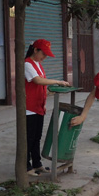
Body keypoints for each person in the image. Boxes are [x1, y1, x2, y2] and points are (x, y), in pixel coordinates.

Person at [25, 39, 70, 177]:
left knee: (37, 137)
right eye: (43, 54)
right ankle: (26, 166)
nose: (44, 57)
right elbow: (37, 80)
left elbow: (42, 82)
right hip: (29, 107)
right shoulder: (27, 63)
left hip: (38, 106)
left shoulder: (38, 64)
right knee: (29, 137)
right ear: (35, 50)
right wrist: (58, 81)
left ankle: (37, 164)